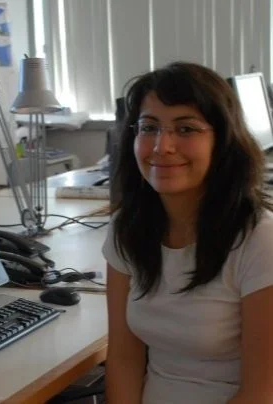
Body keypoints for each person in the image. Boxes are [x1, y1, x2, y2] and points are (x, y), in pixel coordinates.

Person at [102, 61, 273, 404]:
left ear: (223, 140)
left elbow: (262, 392)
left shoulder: (260, 241)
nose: (162, 146)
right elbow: (123, 358)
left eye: (186, 129)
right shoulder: (127, 230)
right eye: (149, 127)